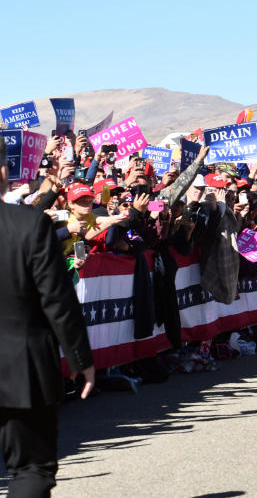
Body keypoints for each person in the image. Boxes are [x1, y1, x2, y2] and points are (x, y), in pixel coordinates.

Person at [0, 136, 96, 496]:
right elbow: (56, 298)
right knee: (31, 470)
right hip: (19, 369)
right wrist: (80, 357)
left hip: (20, 367)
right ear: (4, 173)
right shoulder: (28, 225)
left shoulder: (30, 223)